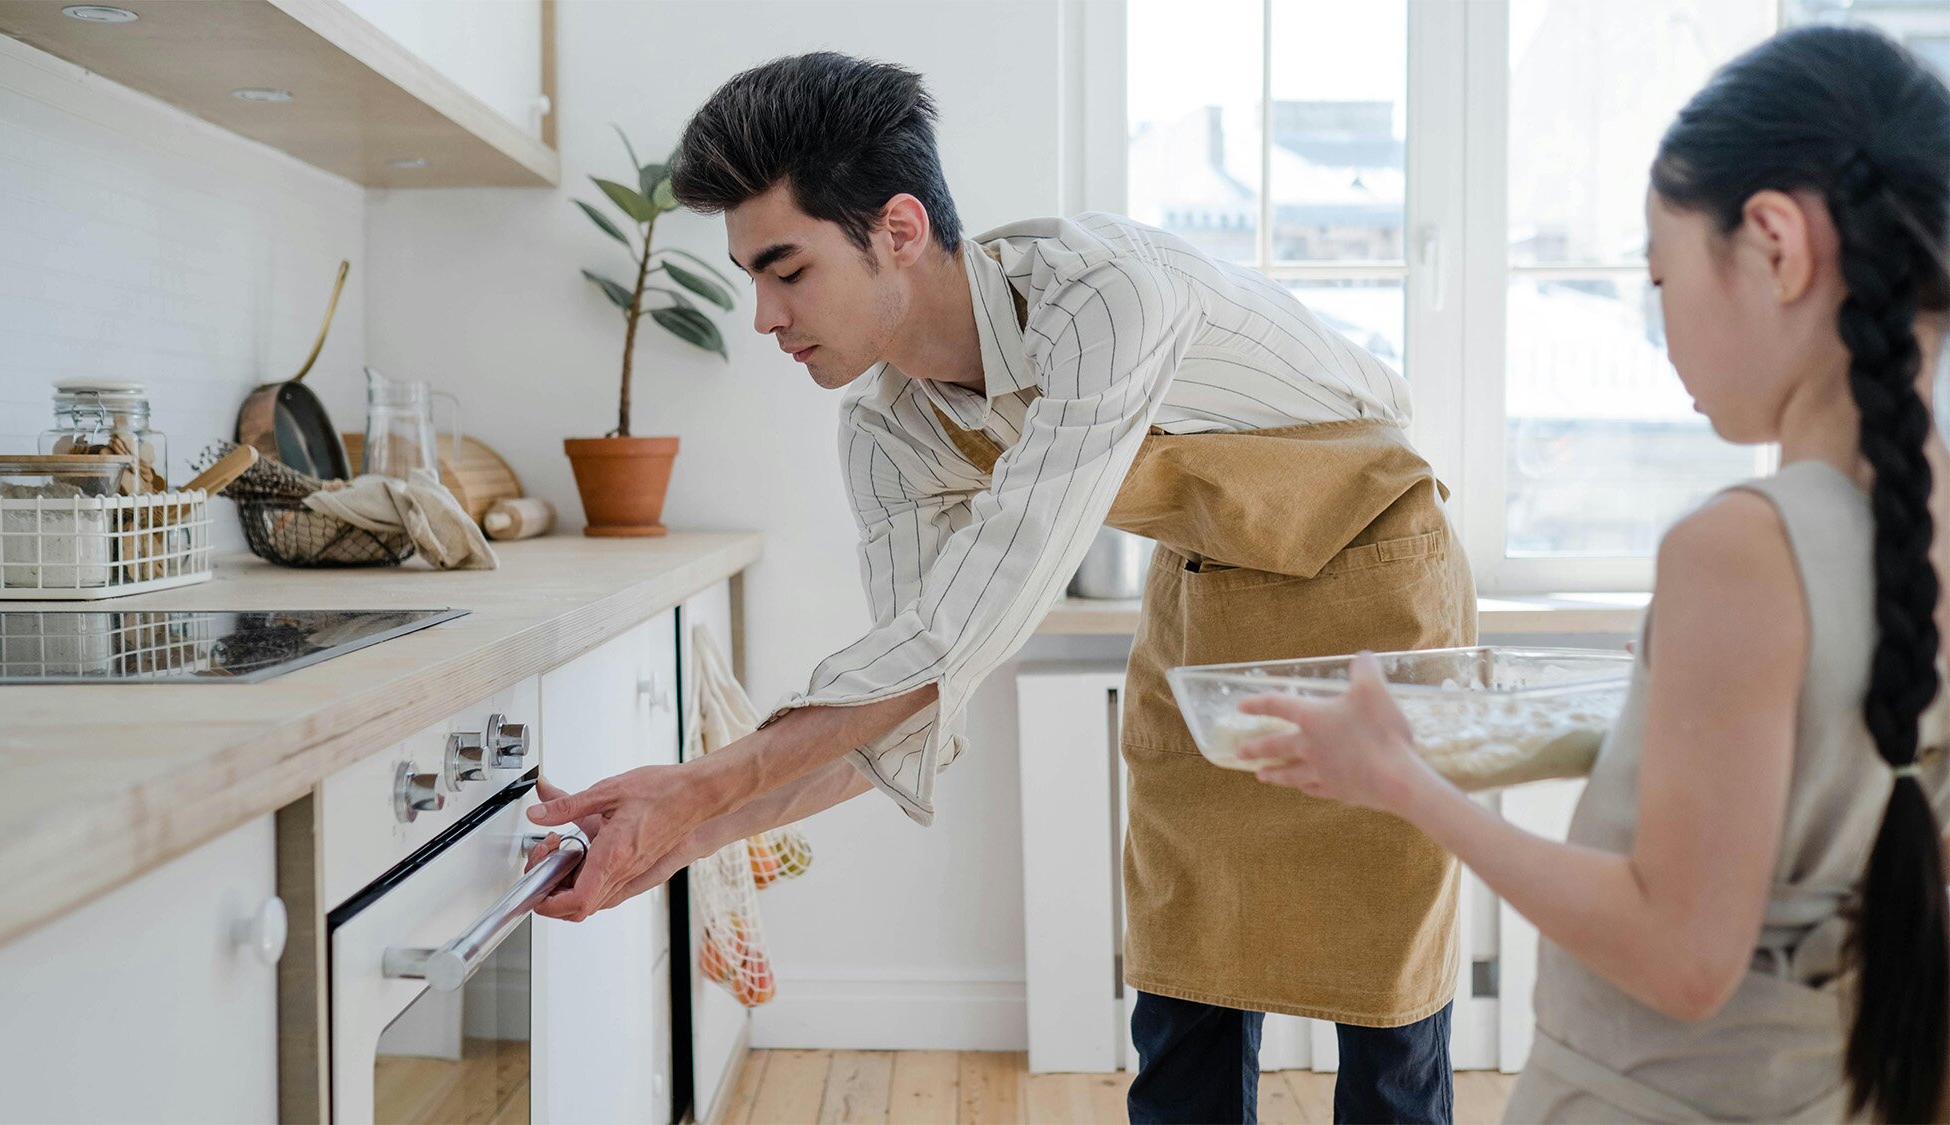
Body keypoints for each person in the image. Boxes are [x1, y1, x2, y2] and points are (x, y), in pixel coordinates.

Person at [524, 51, 1478, 1123]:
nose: (763, 316)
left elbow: (964, 627)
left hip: (1374, 574)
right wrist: (680, 836)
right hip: (1208, 592)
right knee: (1184, 989)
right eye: (751, 277)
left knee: (1383, 992)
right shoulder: (888, 436)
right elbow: (911, 701)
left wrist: (698, 788)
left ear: (895, 230)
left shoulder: (1102, 299)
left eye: (785, 271)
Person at [1233, 25, 1950, 1123]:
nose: (1660, 333)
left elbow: (1680, 958)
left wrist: (1400, 782)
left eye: (1659, 276)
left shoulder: (1741, 549)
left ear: (1771, 243)